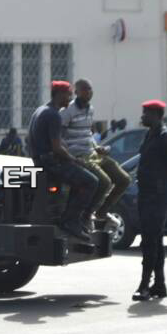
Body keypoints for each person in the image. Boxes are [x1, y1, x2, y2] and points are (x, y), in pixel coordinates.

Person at [27, 80, 98, 240]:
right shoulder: (53, 115)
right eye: (69, 95)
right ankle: (71, 221)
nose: (70, 98)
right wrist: (74, 160)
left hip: (40, 161)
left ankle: (70, 218)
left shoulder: (41, 110)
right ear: (59, 94)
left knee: (80, 179)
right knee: (91, 182)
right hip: (51, 163)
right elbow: (57, 148)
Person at [60, 79, 131, 231]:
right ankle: (87, 214)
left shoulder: (90, 109)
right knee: (104, 181)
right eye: (85, 89)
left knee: (123, 179)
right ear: (77, 92)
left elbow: (88, 134)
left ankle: (102, 212)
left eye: (90, 89)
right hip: (78, 155)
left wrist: (98, 147)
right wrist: (70, 155)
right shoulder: (67, 111)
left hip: (92, 152)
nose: (89, 92)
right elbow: (59, 137)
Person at [133, 100, 167, 302]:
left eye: (145, 113)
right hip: (147, 193)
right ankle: (160, 284)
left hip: (157, 194)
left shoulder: (166, 138)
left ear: (156, 115)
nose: (142, 117)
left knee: (149, 240)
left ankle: (145, 285)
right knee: (155, 240)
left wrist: (164, 181)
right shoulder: (151, 135)